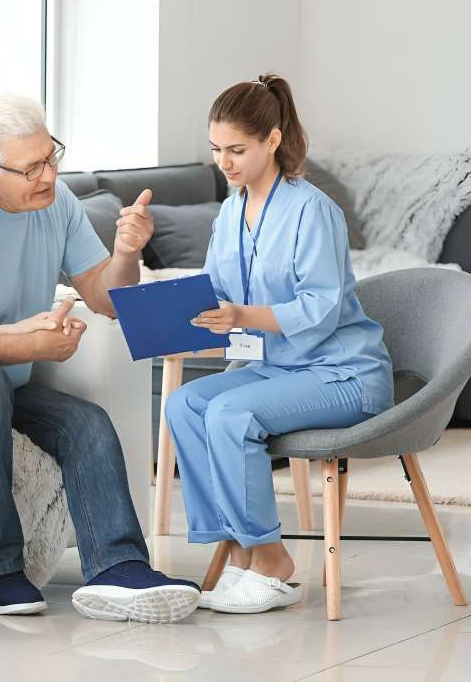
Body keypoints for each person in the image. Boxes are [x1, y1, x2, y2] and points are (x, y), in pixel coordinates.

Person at [0, 93, 201, 624]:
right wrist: (25, 345)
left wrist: (127, 254)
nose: (48, 173)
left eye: (52, 156)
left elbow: (108, 298)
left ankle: (119, 567)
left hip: (4, 385)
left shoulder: (57, 203)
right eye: (32, 166)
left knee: (85, 422)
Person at [165, 74, 394, 614]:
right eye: (216, 149)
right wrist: (172, 309)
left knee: (228, 415)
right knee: (183, 404)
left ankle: (271, 560)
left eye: (237, 149)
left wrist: (241, 315)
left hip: (341, 374)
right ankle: (242, 550)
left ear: (272, 139)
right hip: (277, 368)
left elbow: (320, 310)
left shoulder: (312, 209)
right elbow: (216, 290)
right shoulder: (229, 213)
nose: (224, 162)